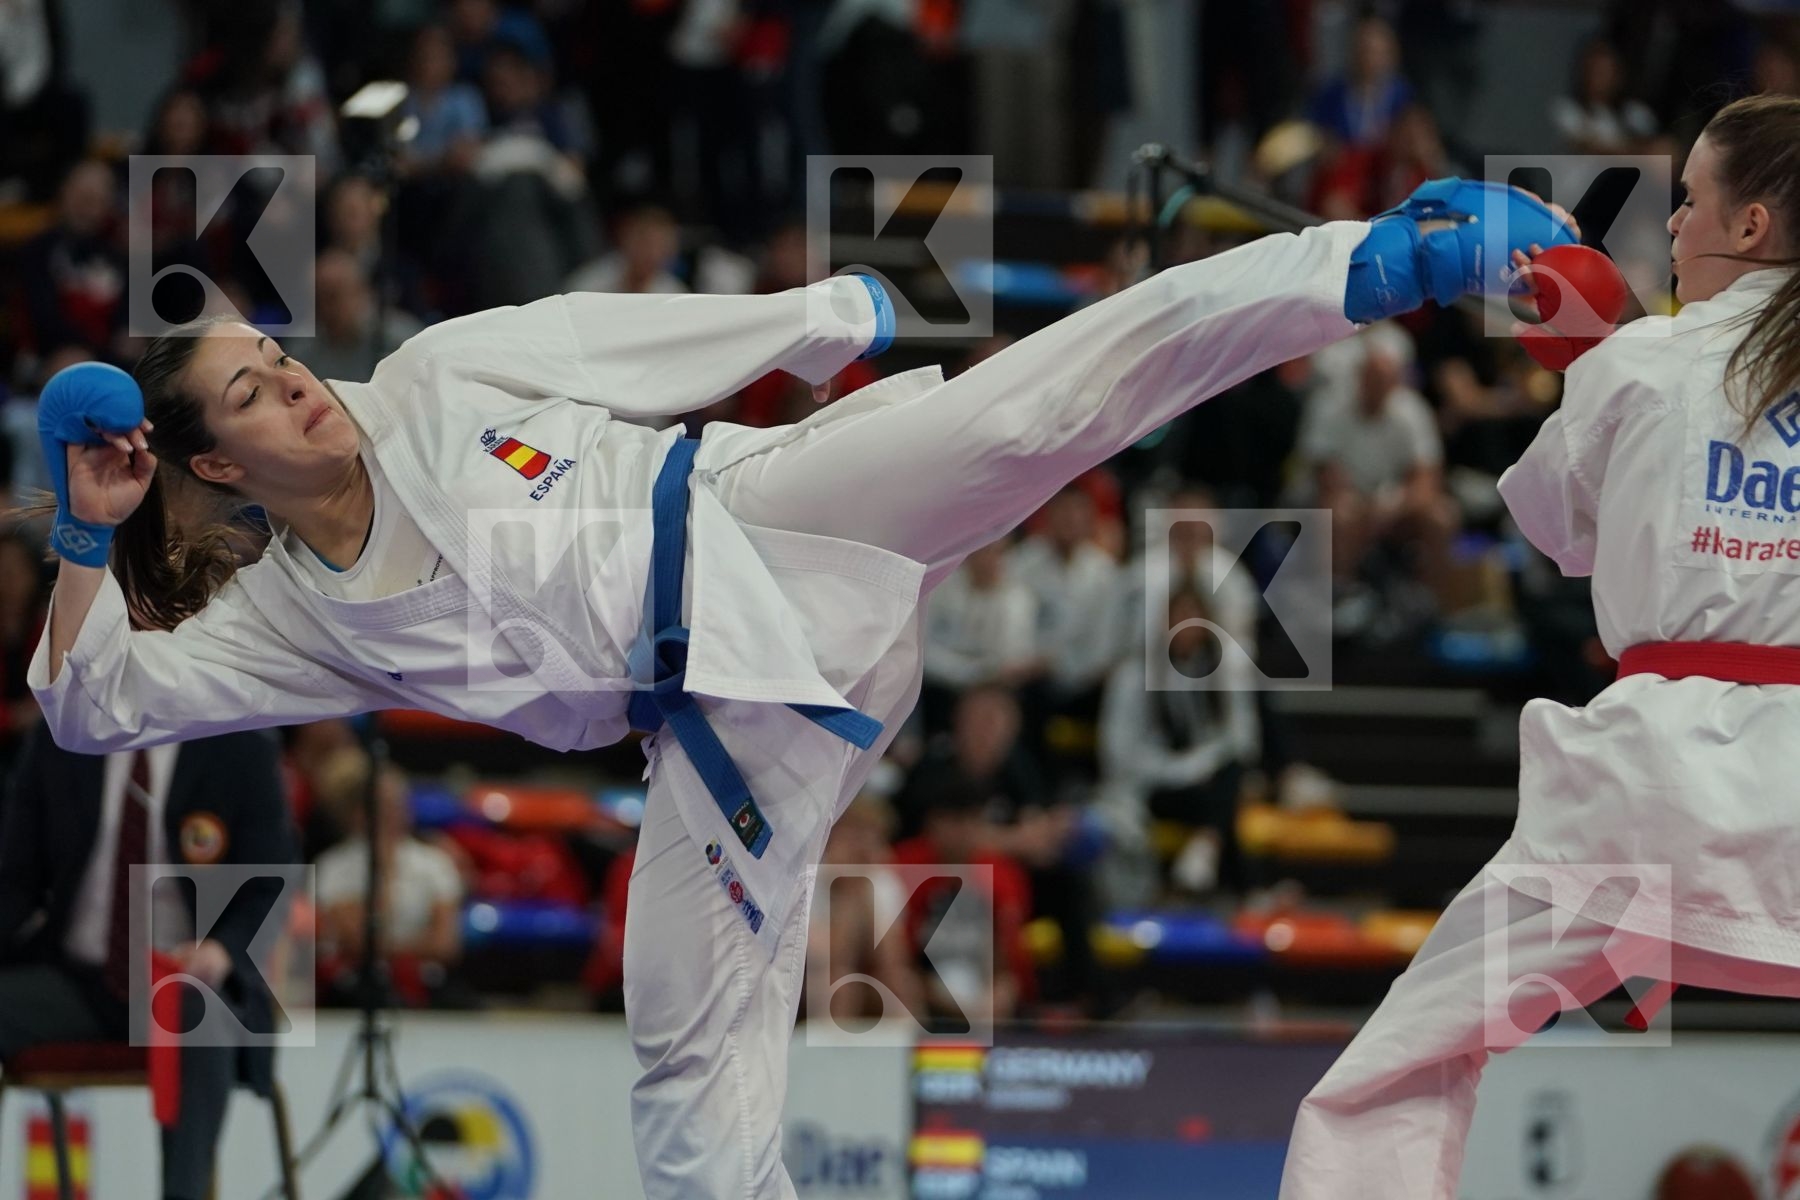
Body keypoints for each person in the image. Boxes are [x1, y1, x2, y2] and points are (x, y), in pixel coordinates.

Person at [28, 176, 1571, 1199]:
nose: (289, 375)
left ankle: (1379, 260)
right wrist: (88, 531)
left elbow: (610, 341)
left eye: (269, 351)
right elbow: (87, 706)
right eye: (247, 391)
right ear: (217, 464)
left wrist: (820, 317)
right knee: (686, 1065)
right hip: (728, 724)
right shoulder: (297, 620)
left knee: (1027, 415)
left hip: (776, 512)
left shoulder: (431, 379)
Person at [1280, 94, 1800, 1199]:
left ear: (1749, 227)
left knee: (1398, 1069)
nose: (1668, 225)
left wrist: (1583, 363)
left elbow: (1557, 534)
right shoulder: (1649, 355)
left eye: (1690, 201)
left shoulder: (1649, 360)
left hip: (1646, 796)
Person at [0, 726, 294, 1200]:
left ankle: (184, 1194)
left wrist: (223, 950)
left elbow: (272, 881)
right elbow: (13, 880)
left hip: (190, 988)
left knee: (193, 1008)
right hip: (79, 981)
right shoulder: (64, 735)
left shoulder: (239, 739)